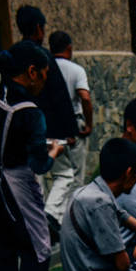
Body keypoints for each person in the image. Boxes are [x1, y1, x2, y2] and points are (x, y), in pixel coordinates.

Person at [0, 41, 64, 271]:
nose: (43, 82)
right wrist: (54, 151)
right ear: (31, 73)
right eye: (43, 75)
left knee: (1, 251)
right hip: (15, 185)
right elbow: (40, 165)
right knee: (38, 249)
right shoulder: (31, 112)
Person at [60, 138, 136, 271]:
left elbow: (128, 219)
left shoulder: (90, 191)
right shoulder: (99, 203)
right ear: (129, 173)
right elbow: (122, 264)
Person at [43, 30, 92, 229]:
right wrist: (88, 124)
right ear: (69, 48)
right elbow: (85, 97)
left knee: (57, 176)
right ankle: (69, 222)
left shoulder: (45, 68)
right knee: (75, 176)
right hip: (74, 125)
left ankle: (56, 219)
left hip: (49, 127)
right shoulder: (76, 69)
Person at [16, 4, 77, 142]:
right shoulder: (43, 57)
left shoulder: (12, 55)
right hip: (48, 128)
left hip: (20, 128)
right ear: (38, 28)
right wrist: (70, 131)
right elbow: (59, 94)